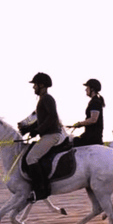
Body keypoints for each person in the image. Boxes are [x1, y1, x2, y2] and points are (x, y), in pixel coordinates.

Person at [25, 72, 63, 202]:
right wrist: (29, 128)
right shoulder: (43, 99)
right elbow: (43, 119)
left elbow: (52, 117)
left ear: (41, 85)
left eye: (35, 85)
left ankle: (41, 190)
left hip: (52, 135)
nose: (33, 87)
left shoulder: (47, 98)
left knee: (31, 158)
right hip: (48, 134)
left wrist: (37, 130)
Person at [71, 79, 105, 146]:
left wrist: (79, 124)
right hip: (90, 135)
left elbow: (93, 120)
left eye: (87, 87)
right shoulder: (94, 101)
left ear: (92, 89)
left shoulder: (95, 102)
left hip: (92, 138)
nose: (85, 90)